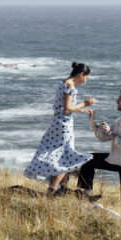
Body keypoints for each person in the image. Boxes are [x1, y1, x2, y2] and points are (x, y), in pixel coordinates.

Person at [23, 61, 97, 196]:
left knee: (64, 154)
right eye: (86, 78)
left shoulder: (63, 83)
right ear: (81, 74)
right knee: (64, 157)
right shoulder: (70, 86)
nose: (85, 81)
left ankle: (63, 188)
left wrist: (83, 110)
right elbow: (67, 108)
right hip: (63, 126)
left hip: (57, 122)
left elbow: (64, 108)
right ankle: (52, 189)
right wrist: (84, 104)